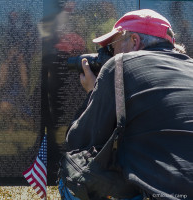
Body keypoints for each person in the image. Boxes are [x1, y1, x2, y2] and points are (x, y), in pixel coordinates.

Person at [62, 9, 193, 199]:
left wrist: (93, 92)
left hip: (162, 194)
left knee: (71, 172)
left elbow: (77, 141)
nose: (109, 53)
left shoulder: (121, 64)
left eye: (112, 46)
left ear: (134, 41)